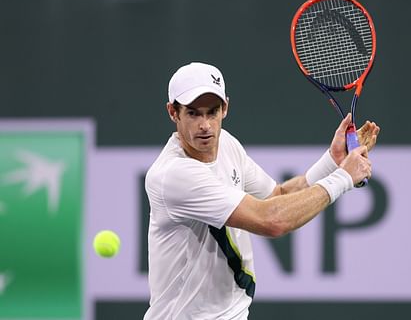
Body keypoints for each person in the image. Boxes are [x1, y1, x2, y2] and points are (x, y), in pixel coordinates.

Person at [143, 62, 380, 320]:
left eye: (212, 112)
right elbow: (272, 220)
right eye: (193, 113)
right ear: (172, 112)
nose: (205, 126)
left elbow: (277, 197)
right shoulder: (175, 174)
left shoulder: (227, 145)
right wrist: (344, 176)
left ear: (225, 108)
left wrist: (332, 162)